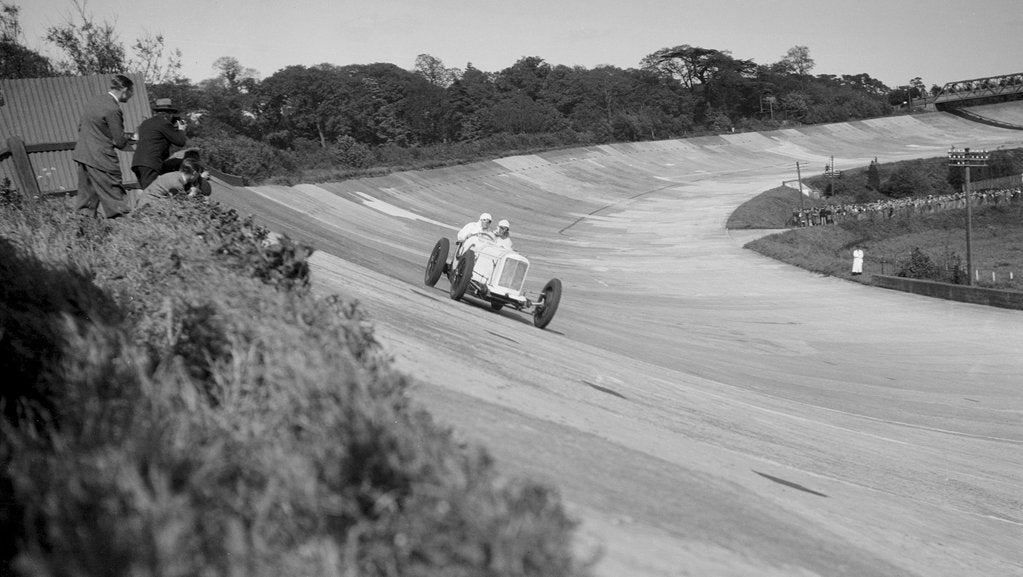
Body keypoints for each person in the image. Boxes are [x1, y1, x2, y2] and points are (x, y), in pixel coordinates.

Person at [71, 74, 135, 218]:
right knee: (115, 196)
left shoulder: (94, 101)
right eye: (131, 91)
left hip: (83, 156)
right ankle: (124, 233)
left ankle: (83, 233)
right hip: (101, 158)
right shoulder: (113, 109)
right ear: (124, 89)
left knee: (86, 200)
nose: (131, 95)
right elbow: (119, 141)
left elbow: (82, 127)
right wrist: (131, 137)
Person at [131, 97, 188, 189]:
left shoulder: (146, 123)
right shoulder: (164, 123)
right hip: (150, 164)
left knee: (146, 192)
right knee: (152, 193)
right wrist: (181, 129)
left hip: (138, 162)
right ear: (168, 113)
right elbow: (180, 142)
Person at [128, 157, 209, 212]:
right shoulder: (176, 184)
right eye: (198, 174)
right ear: (194, 173)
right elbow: (182, 203)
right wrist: (192, 193)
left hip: (144, 203)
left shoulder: (174, 175)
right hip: (147, 208)